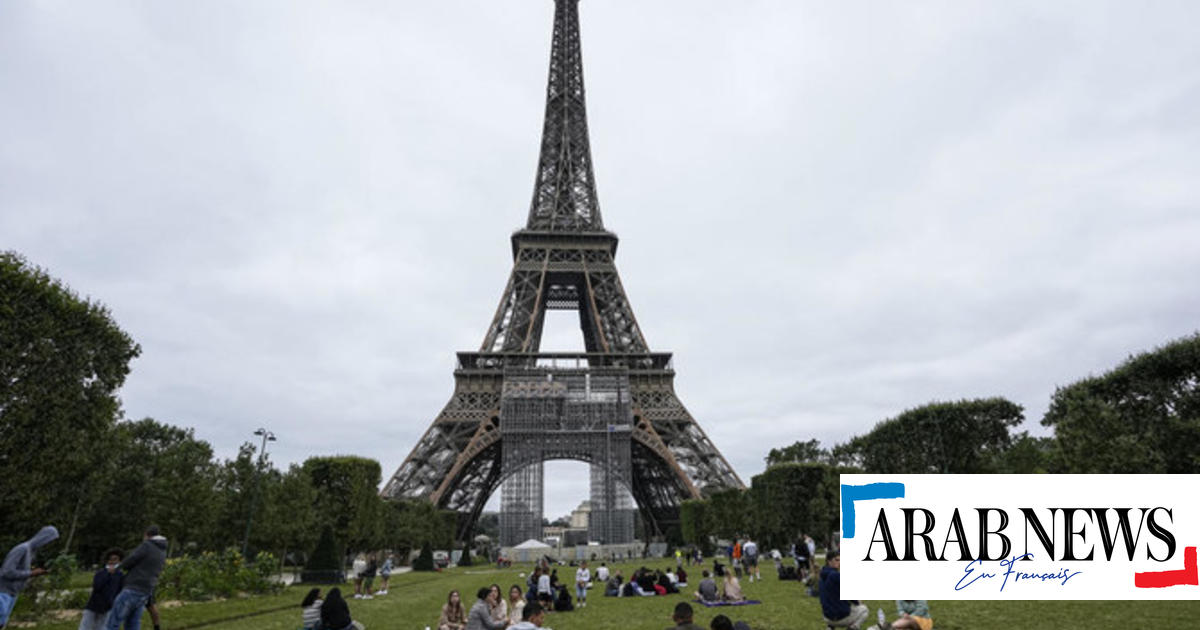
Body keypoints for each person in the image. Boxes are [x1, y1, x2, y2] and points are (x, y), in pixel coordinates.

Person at [105, 525, 167, 630]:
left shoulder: (147, 545)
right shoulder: (162, 550)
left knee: (113, 622)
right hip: (145, 592)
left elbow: (132, 558)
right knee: (132, 623)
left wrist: (116, 568)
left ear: (146, 535)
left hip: (133, 587)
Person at [0, 525, 58, 629]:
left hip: (13, 593)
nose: (47, 545)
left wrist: (37, 573)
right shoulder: (22, 549)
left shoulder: (31, 553)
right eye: (48, 541)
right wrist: (31, 573)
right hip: (3, 591)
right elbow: (6, 571)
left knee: (2, 623)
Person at [79, 548, 125, 630]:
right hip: (93, 605)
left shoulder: (120, 576)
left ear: (119, 561)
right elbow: (97, 586)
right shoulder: (101, 573)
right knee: (85, 626)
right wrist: (108, 574)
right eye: (110, 560)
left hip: (108, 606)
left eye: (115, 560)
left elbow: (120, 591)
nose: (112, 562)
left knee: (103, 627)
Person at [819, 552, 867, 629]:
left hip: (826, 617)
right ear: (829, 561)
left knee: (832, 602)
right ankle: (852, 628)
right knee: (864, 609)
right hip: (839, 617)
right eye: (837, 560)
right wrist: (857, 602)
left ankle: (830, 627)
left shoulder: (822, 577)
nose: (839, 563)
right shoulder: (835, 575)